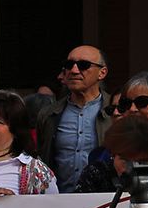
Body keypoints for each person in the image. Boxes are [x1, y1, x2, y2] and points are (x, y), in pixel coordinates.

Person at [37, 45, 111, 192]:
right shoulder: (49, 115)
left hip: (104, 199)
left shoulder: (115, 112)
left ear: (102, 73)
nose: (74, 70)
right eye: (69, 65)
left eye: (84, 65)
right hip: (58, 199)